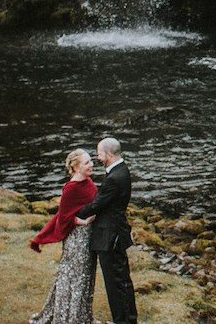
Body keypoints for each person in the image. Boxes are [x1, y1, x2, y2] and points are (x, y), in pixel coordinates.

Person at [28, 149, 98, 324]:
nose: (91, 165)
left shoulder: (88, 182)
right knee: (74, 276)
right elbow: (64, 217)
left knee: (86, 276)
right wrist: (81, 222)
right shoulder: (70, 189)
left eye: (90, 161)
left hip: (89, 236)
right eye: (86, 163)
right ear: (75, 168)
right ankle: (69, 318)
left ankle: (83, 316)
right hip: (77, 239)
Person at [74, 137, 137, 324]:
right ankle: (128, 319)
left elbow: (96, 205)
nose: (98, 158)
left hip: (110, 236)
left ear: (109, 155)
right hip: (116, 232)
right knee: (122, 281)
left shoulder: (114, 178)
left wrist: (73, 212)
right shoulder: (121, 171)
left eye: (100, 154)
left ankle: (123, 321)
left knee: (115, 283)